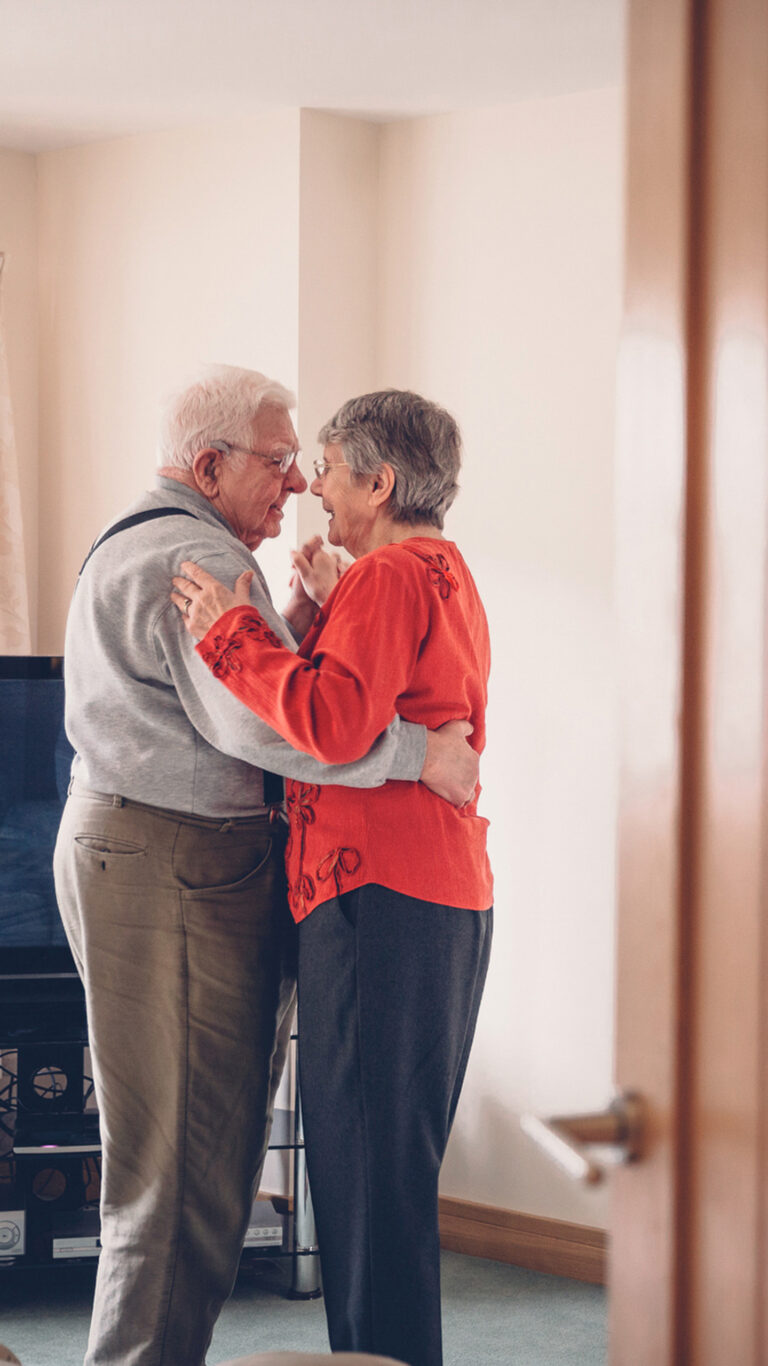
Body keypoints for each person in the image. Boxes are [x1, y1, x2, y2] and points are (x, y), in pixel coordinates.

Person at [53, 366, 478, 1366]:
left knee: (202, 1168)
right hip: (174, 867)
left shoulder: (169, 540)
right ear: (209, 465)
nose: (297, 486)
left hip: (190, 862)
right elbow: (290, 726)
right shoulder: (189, 561)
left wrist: (288, 620)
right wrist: (428, 757)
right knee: (179, 1181)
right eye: (282, 461)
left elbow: (296, 694)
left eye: (311, 464)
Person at [171, 388, 493, 1366]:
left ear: (380, 480)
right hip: (439, 898)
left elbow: (332, 724)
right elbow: (379, 693)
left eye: (329, 467)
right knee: (391, 1175)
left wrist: (231, 630)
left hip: (373, 898)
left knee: (361, 1181)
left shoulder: (390, 577)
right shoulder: (441, 572)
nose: (312, 484)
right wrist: (321, 601)